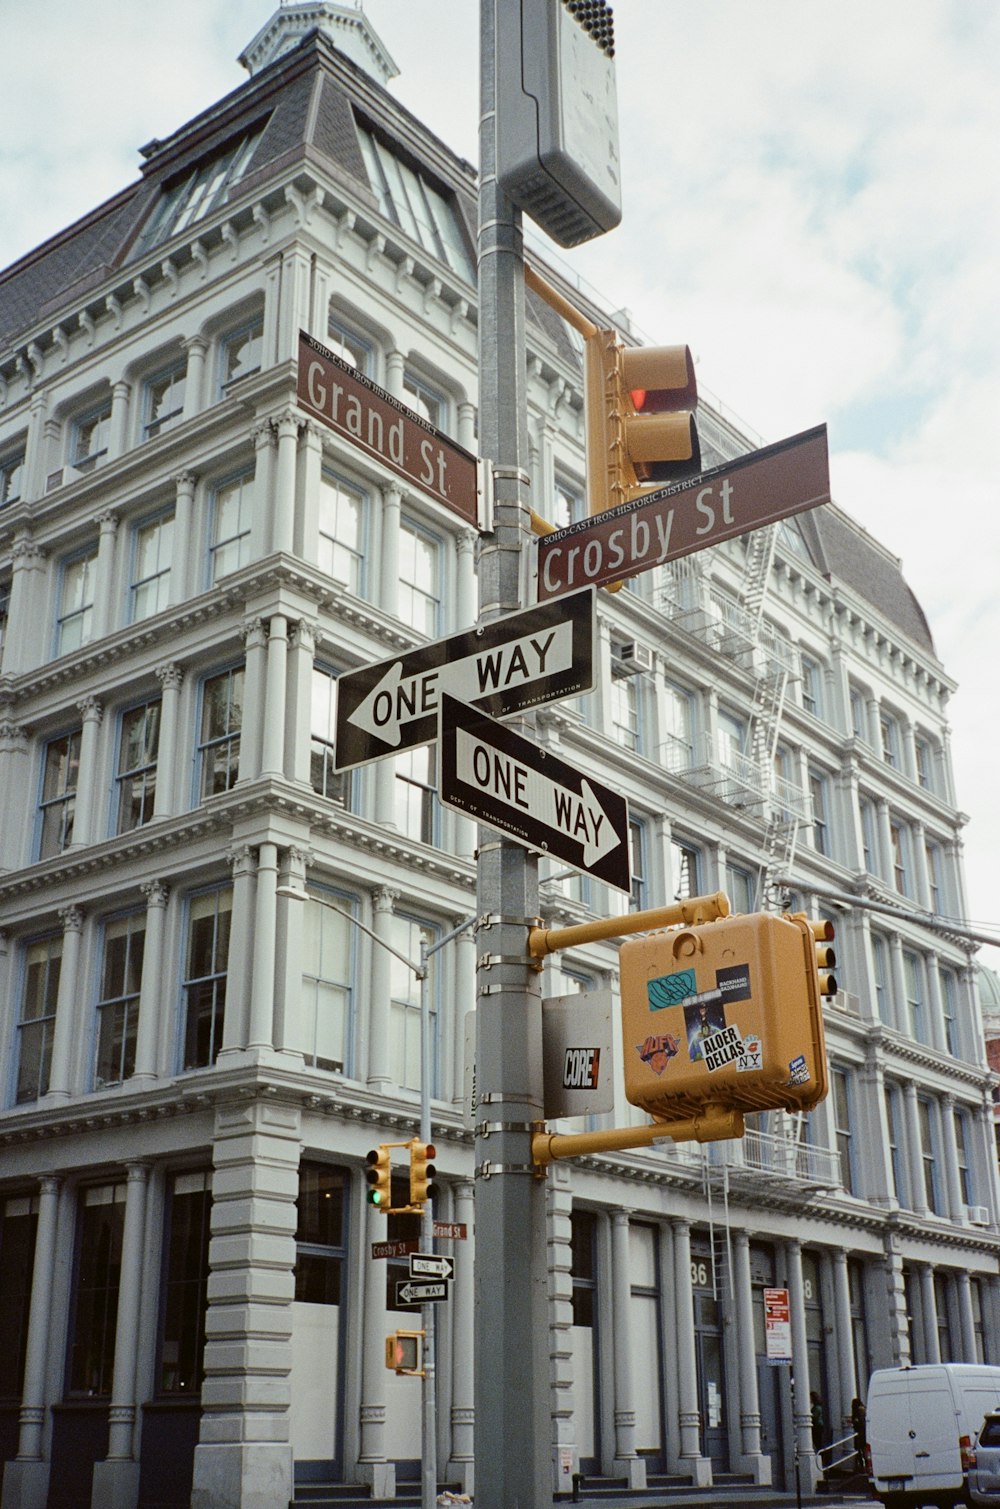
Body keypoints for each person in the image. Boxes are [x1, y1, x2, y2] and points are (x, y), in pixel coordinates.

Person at [851, 1396, 867, 1470]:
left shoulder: (859, 1410)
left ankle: (862, 1465)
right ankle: (864, 1465)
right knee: (862, 1450)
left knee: (860, 1449)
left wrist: (855, 1421)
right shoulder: (863, 1409)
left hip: (860, 1433)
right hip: (862, 1432)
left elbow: (859, 1421)